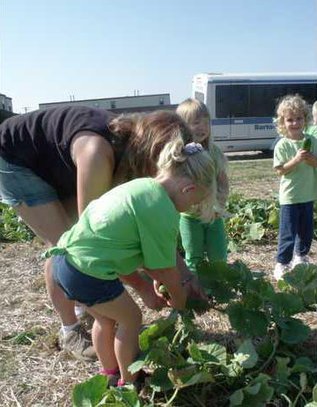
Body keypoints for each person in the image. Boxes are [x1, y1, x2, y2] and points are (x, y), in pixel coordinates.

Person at [0, 105, 200, 361]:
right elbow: (90, 241)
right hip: (16, 158)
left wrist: (184, 275)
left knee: (78, 249)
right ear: (152, 156)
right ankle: (70, 330)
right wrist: (142, 286)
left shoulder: (130, 157)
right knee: (64, 244)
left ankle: (92, 310)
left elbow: (150, 229)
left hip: (54, 160)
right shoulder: (98, 154)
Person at [46, 138, 216, 386]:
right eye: (195, 202)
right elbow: (163, 269)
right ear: (188, 189)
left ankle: (110, 372)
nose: (192, 206)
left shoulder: (142, 187)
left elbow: (130, 256)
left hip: (65, 263)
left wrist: (148, 287)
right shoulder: (162, 209)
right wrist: (179, 301)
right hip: (87, 272)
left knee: (105, 320)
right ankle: (130, 380)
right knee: (131, 319)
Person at [176, 98, 229, 274]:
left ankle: (219, 284)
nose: (202, 127)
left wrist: (219, 205)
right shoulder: (179, 155)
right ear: (182, 126)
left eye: (206, 122)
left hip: (214, 215)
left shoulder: (214, 152)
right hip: (190, 216)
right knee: (193, 256)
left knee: (219, 255)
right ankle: (198, 289)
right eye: (196, 122)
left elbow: (222, 181)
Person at [273, 94, 317, 280]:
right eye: (290, 120)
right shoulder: (282, 145)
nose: (295, 123)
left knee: (306, 230)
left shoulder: (312, 141)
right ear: (283, 123)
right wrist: (297, 160)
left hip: (308, 194)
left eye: (299, 118)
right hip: (290, 197)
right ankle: (282, 263)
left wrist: (311, 159)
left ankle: (301, 257)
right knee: (288, 232)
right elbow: (280, 170)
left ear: (305, 119)